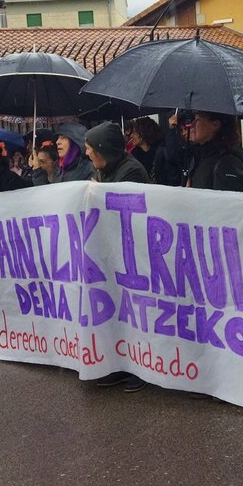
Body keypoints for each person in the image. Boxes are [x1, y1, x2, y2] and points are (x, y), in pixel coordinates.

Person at [82, 122, 152, 392]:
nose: (87, 153)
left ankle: (141, 366)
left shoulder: (132, 171)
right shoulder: (104, 170)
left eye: (90, 148)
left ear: (103, 149)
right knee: (117, 312)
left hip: (134, 256)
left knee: (135, 313)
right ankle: (119, 364)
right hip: (113, 252)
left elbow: (124, 208)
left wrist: (97, 194)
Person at [184, 110, 243, 192]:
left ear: (215, 125)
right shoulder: (199, 156)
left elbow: (228, 199)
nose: (192, 124)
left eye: (198, 120)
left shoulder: (227, 163)